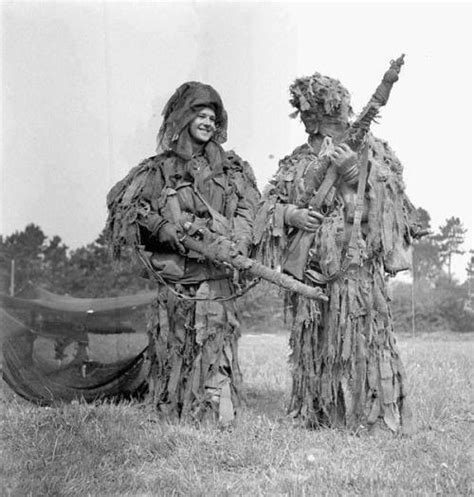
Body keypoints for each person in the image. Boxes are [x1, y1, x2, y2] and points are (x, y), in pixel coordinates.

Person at [254, 71, 418, 434]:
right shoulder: (296, 161)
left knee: (367, 342)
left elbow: (395, 209)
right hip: (310, 269)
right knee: (314, 344)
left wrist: (355, 172)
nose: (320, 125)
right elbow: (265, 209)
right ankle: (319, 415)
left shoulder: (374, 151)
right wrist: (292, 214)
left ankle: (375, 418)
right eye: (312, 117)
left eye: (328, 116)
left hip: (357, 266)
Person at [106, 82, 259, 424]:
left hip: (217, 281)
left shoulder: (233, 169)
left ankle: (215, 413)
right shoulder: (157, 170)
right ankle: (173, 412)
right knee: (175, 346)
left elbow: (250, 211)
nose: (207, 122)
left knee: (215, 346)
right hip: (177, 279)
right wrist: (164, 229)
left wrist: (237, 243)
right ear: (184, 118)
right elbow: (125, 206)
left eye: (212, 117)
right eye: (200, 115)